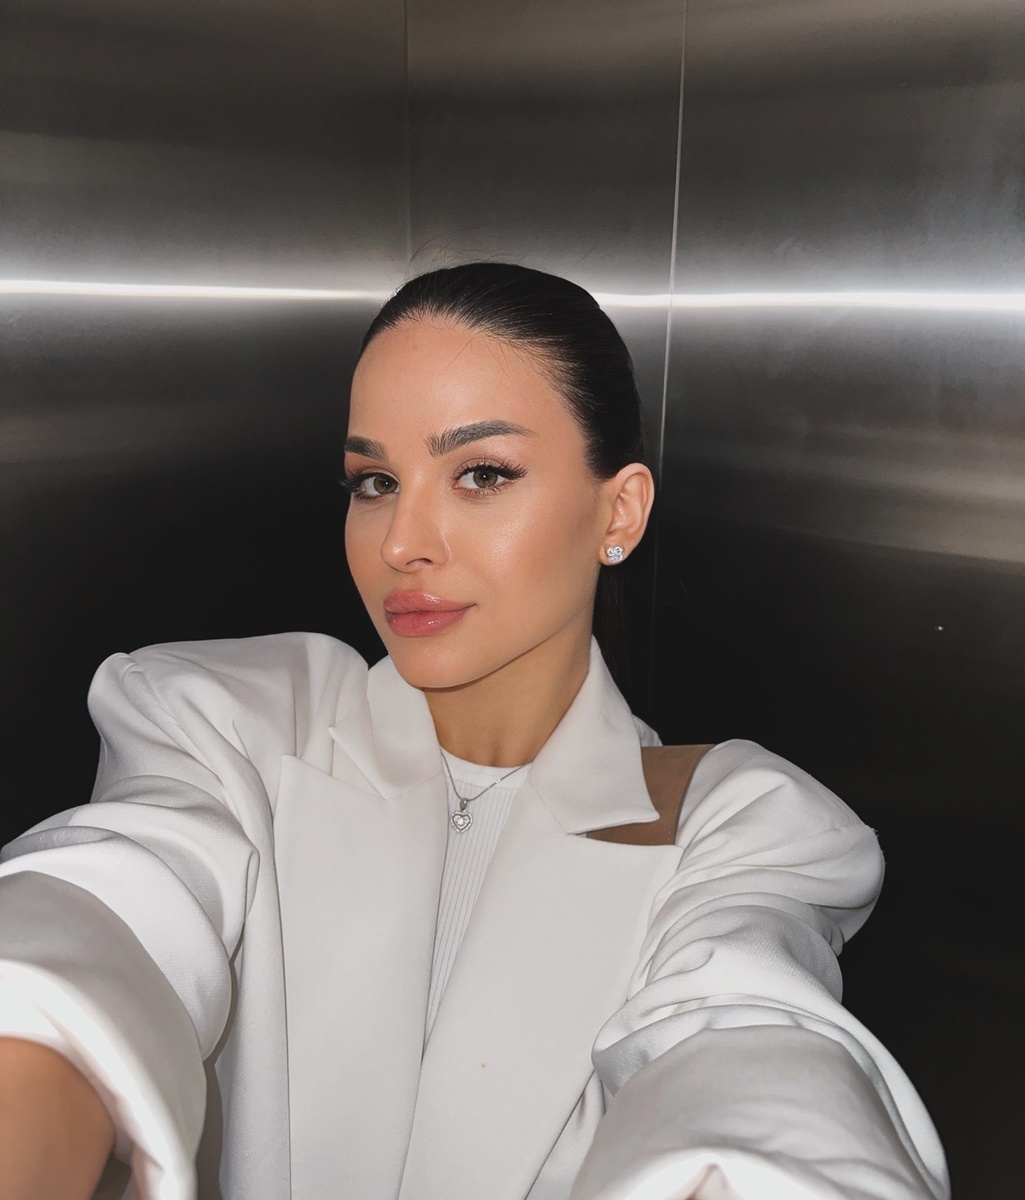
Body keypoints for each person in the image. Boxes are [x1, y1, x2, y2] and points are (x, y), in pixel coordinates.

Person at [0, 263, 948, 1200]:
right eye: (374, 480)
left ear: (618, 510)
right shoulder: (222, 722)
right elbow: (98, 918)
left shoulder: (738, 825)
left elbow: (745, 1053)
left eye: (480, 474)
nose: (400, 541)